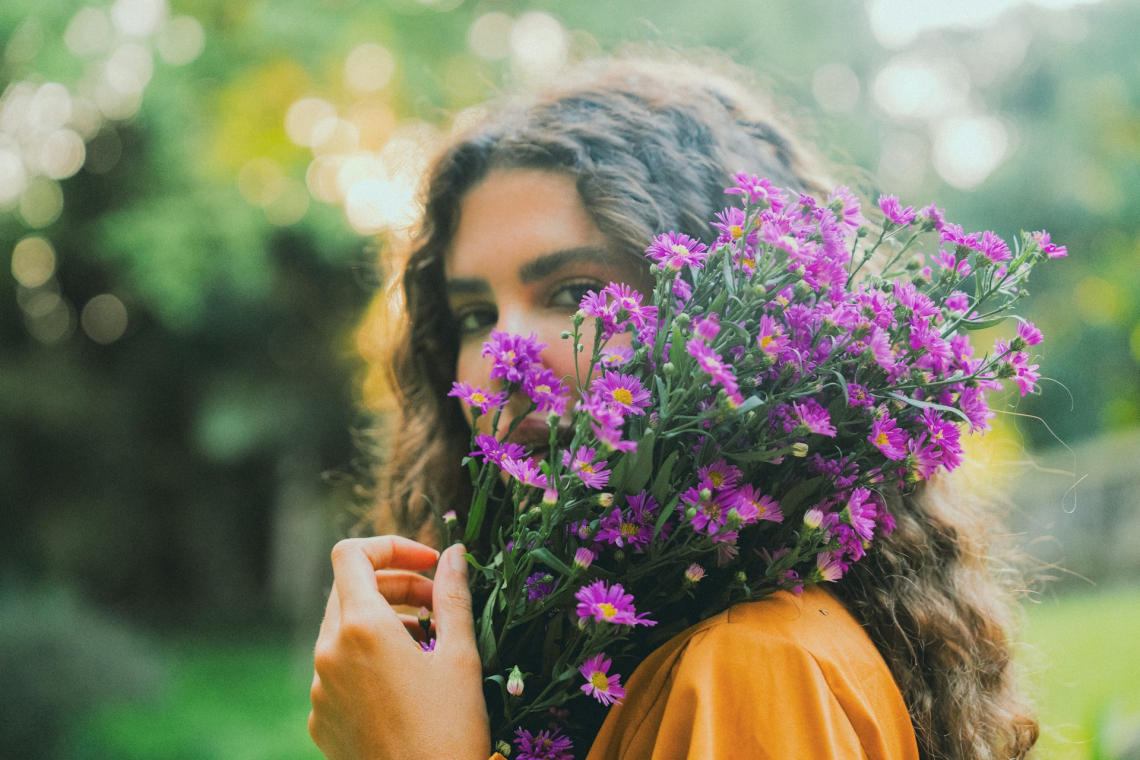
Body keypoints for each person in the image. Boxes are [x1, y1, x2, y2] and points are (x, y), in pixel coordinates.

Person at [308, 56, 1039, 760]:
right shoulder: (591, 659)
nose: (504, 361)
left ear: (742, 321)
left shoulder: (752, 669)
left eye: (573, 293)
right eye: (473, 315)